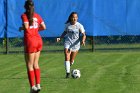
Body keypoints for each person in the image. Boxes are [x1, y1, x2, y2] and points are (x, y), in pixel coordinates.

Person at [19, 0, 46, 92]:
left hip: (30, 41)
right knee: (36, 64)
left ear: (25, 7)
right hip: (38, 40)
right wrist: (35, 29)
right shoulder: (37, 16)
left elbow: (26, 27)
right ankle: (38, 85)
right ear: (33, 7)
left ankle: (32, 87)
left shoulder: (24, 15)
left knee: (29, 65)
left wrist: (21, 28)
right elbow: (44, 27)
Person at [57, 12, 86, 78]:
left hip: (76, 44)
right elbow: (65, 32)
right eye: (73, 17)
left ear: (77, 18)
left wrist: (83, 40)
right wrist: (60, 38)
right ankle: (67, 73)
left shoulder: (79, 25)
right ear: (70, 18)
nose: (74, 18)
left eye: (75, 17)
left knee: (71, 61)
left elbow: (84, 34)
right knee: (67, 56)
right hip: (68, 42)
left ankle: (69, 67)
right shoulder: (67, 25)